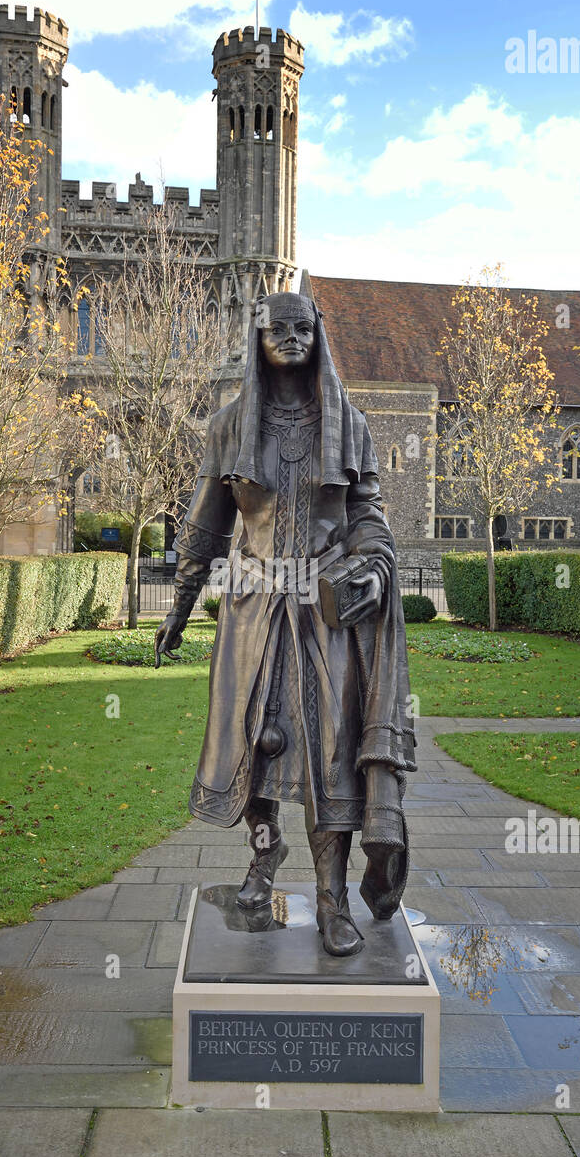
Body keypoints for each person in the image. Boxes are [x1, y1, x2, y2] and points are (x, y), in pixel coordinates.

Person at [155, 291, 416, 957]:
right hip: (253, 608)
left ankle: (332, 900)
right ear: (259, 338)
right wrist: (180, 611)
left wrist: (373, 568)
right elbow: (205, 527)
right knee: (259, 743)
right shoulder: (229, 426)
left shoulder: (349, 425)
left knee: (331, 751)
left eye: (304, 329)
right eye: (280, 329)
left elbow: (368, 517)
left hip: (325, 614)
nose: (293, 339)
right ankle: (262, 859)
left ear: (318, 337)